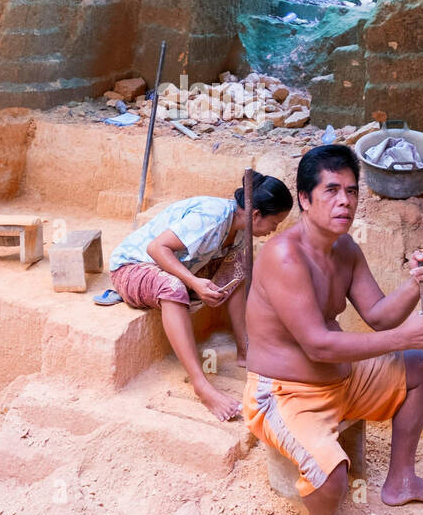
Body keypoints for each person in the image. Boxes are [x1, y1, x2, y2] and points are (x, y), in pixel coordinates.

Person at [243, 143, 423, 515]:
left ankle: (400, 479)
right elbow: (319, 345)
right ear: (304, 199)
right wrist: (405, 337)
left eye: (352, 192)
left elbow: (378, 314)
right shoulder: (284, 257)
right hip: (285, 392)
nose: (345, 202)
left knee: (415, 367)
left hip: (342, 380)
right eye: (332, 191)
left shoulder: (345, 249)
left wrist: (417, 283)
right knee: (331, 475)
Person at [109, 175, 293, 421]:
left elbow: (234, 276)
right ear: (256, 214)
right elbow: (156, 248)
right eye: (275, 222)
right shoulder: (213, 216)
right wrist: (194, 283)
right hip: (132, 268)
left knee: (239, 263)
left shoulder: (238, 231)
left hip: (164, 266)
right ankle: (201, 385)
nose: (274, 229)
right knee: (172, 285)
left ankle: (244, 348)